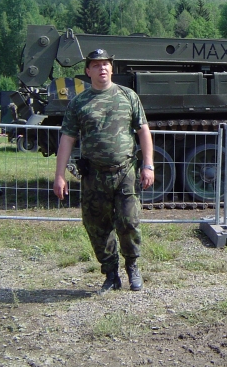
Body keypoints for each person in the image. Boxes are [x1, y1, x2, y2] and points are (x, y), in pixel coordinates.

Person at [53, 48, 154, 292]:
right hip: (94, 175)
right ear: (88, 71)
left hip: (124, 172)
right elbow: (67, 138)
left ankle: (132, 267)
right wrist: (59, 175)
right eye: (96, 65)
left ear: (112, 68)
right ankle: (110, 274)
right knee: (97, 226)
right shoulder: (79, 103)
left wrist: (148, 165)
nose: (102, 68)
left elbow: (143, 131)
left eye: (106, 64)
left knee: (129, 222)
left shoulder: (128, 96)